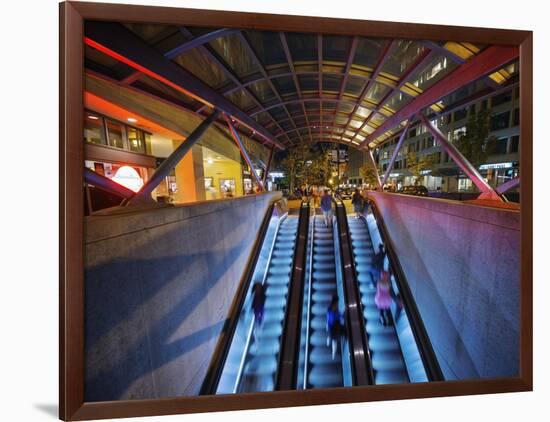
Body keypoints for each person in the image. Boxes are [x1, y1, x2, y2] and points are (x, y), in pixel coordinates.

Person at [326, 295, 343, 360]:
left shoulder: (330, 308)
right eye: (337, 302)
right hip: (333, 327)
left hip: (331, 326)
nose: (337, 303)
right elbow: (336, 317)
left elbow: (331, 317)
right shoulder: (334, 310)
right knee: (334, 341)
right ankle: (333, 353)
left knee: (332, 338)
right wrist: (340, 317)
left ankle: (328, 341)